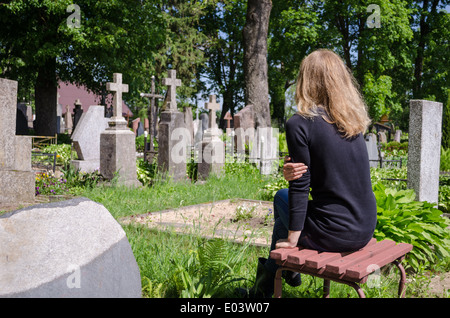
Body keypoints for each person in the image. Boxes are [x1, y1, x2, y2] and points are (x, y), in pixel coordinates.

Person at [242, 49, 377, 298]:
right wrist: (295, 164)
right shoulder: (352, 123)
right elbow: (334, 171)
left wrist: (293, 238)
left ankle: (266, 287)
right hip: (365, 226)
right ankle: (274, 282)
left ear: (306, 80)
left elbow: (301, 185)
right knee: (286, 203)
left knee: (281, 197)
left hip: (336, 232)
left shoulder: (299, 123)